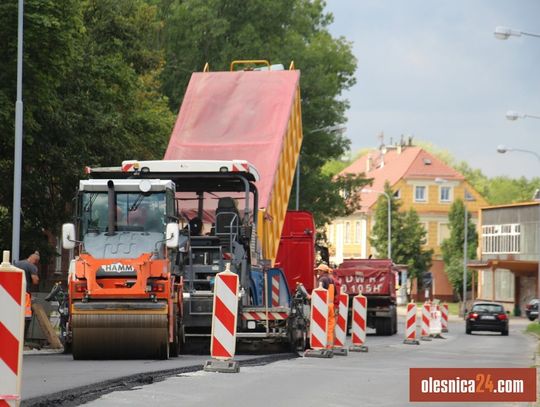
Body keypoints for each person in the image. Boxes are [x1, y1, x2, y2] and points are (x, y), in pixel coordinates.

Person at [14, 251, 40, 337]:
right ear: (35, 261)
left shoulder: (17, 264)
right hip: (25, 293)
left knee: (15, 314)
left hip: (14, 292)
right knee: (26, 316)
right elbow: (35, 281)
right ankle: (23, 337)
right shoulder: (32, 267)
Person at [313, 263, 336, 349]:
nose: (318, 272)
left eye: (319, 271)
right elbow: (335, 293)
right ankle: (329, 345)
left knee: (320, 324)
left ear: (322, 271)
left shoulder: (322, 279)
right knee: (330, 326)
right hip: (331, 305)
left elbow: (319, 292)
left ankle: (320, 344)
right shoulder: (331, 279)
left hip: (323, 305)